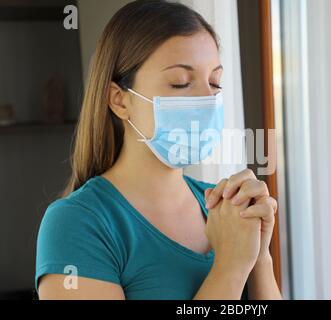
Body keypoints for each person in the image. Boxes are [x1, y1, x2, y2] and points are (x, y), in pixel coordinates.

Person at [35, 0, 281, 300]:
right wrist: (229, 267)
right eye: (180, 83)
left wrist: (259, 258)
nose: (207, 100)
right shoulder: (76, 224)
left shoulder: (226, 208)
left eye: (215, 83)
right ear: (120, 100)